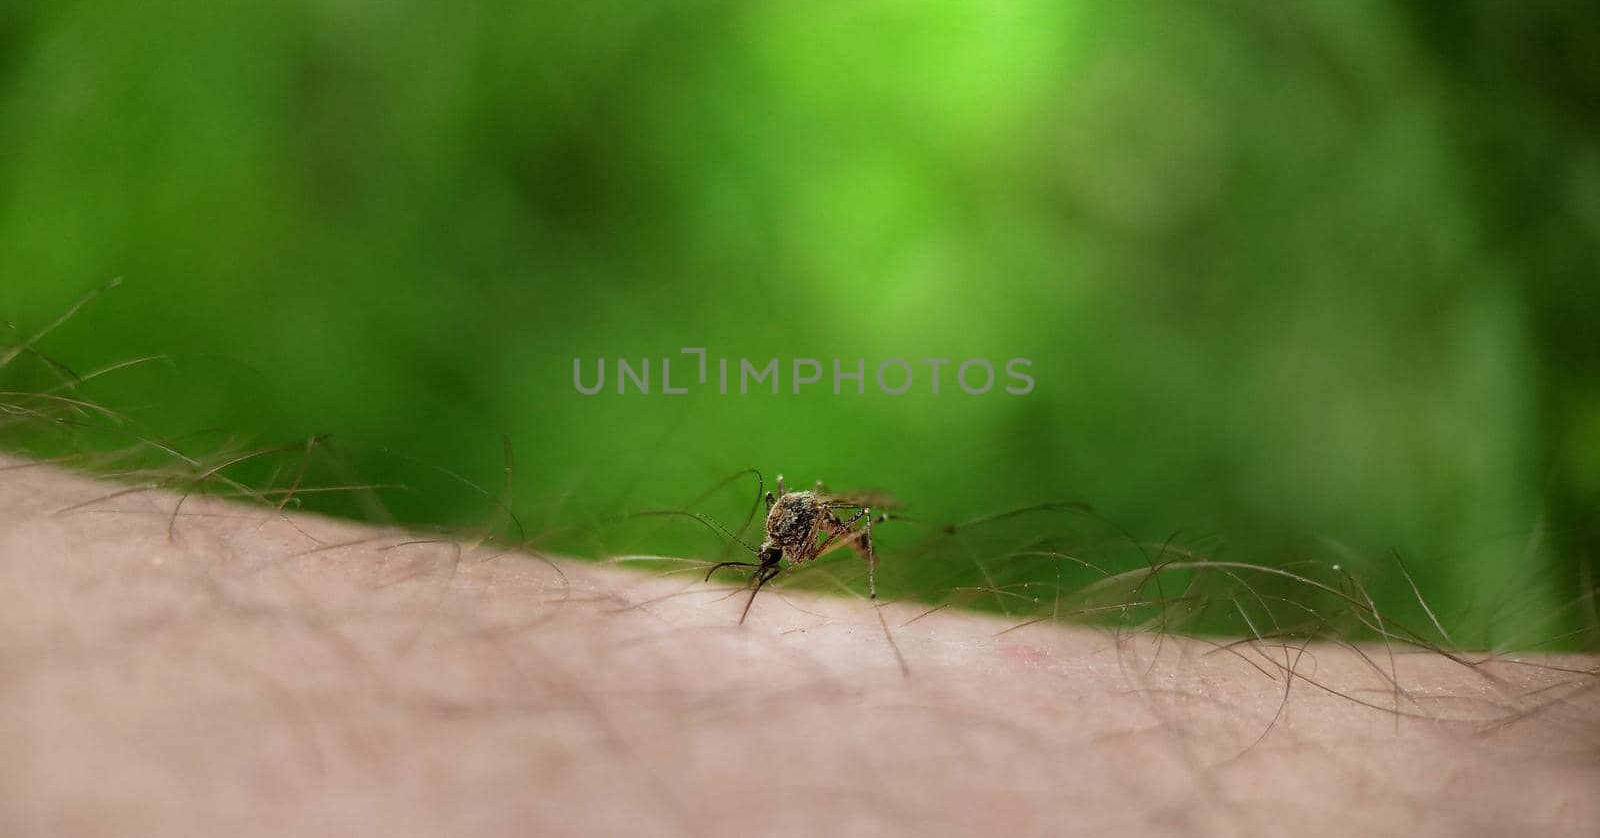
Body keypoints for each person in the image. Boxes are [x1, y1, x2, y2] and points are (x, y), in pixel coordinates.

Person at [2, 457, 1594, 836]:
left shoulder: (829, 527)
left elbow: (828, 520)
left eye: (794, 531)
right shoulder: (783, 526)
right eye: (793, 532)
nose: (791, 533)